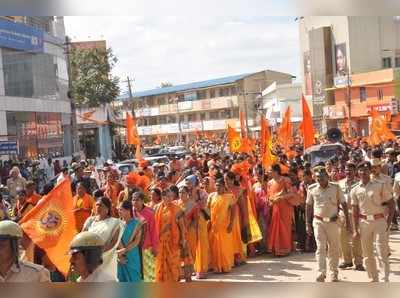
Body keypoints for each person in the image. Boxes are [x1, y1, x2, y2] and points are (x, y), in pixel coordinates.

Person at [351, 161, 395, 282]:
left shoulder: (379, 185)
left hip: (379, 221)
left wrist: (389, 222)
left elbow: (391, 203)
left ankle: (384, 278)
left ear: (370, 171)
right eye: (360, 170)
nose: (363, 172)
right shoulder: (354, 190)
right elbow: (354, 211)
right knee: (367, 253)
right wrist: (355, 229)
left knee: (381, 251)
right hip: (364, 223)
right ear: (357, 172)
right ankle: (373, 278)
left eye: (365, 170)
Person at [306, 166, 350, 282]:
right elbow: (309, 206)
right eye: (317, 178)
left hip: (333, 222)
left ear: (327, 176)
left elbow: (344, 204)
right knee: (320, 248)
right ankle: (321, 272)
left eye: (321, 177)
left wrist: (348, 221)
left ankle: (333, 273)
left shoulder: (335, 188)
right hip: (318, 222)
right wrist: (307, 224)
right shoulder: (312, 189)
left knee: (334, 248)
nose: (319, 180)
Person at [82, 197, 122, 280]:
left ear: (107, 208)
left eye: (101, 205)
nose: (98, 207)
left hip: (107, 257)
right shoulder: (90, 220)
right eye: (97, 205)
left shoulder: (115, 222)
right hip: (90, 256)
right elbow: (82, 236)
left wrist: (99, 252)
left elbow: (113, 242)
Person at [154, 187, 187, 282]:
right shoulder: (157, 208)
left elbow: (182, 226)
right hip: (161, 240)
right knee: (161, 262)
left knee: (173, 262)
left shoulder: (177, 209)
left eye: (171, 196)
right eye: (167, 196)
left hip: (173, 240)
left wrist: (183, 239)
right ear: (162, 197)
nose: (170, 198)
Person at [337, 162, 364, 271]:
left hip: (355, 213)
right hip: (342, 213)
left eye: (350, 170)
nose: (348, 172)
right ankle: (347, 260)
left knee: (356, 237)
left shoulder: (359, 183)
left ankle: (358, 262)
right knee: (342, 238)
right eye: (346, 170)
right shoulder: (340, 183)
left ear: (355, 171)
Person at [267, 164, 296, 257]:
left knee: (284, 228)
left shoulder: (285, 180)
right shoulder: (269, 183)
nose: (268, 172)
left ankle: (285, 249)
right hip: (275, 208)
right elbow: (268, 196)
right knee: (275, 228)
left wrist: (281, 198)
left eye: (270, 170)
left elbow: (291, 193)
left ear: (276, 171)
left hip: (285, 208)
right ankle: (276, 249)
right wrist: (269, 201)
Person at [208, 178, 234, 273]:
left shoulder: (229, 197)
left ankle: (225, 266)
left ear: (224, 187)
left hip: (224, 226)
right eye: (216, 185)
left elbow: (233, 211)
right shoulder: (211, 196)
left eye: (220, 186)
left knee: (224, 247)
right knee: (214, 246)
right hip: (214, 225)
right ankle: (216, 267)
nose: (218, 187)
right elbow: (207, 209)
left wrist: (231, 224)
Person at [132, 191, 158, 282]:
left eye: (137, 200)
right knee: (136, 272)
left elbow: (154, 231)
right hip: (133, 248)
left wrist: (155, 247)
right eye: (133, 200)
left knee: (149, 274)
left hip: (147, 248)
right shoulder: (130, 213)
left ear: (142, 201)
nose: (135, 202)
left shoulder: (149, 213)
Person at [117, 200, 143, 282]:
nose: (119, 211)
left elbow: (136, 241)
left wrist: (124, 250)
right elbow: (116, 240)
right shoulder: (118, 224)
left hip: (132, 255)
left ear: (128, 210)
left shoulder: (137, 223)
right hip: (121, 257)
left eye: (121, 209)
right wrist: (120, 256)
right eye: (118, 209)